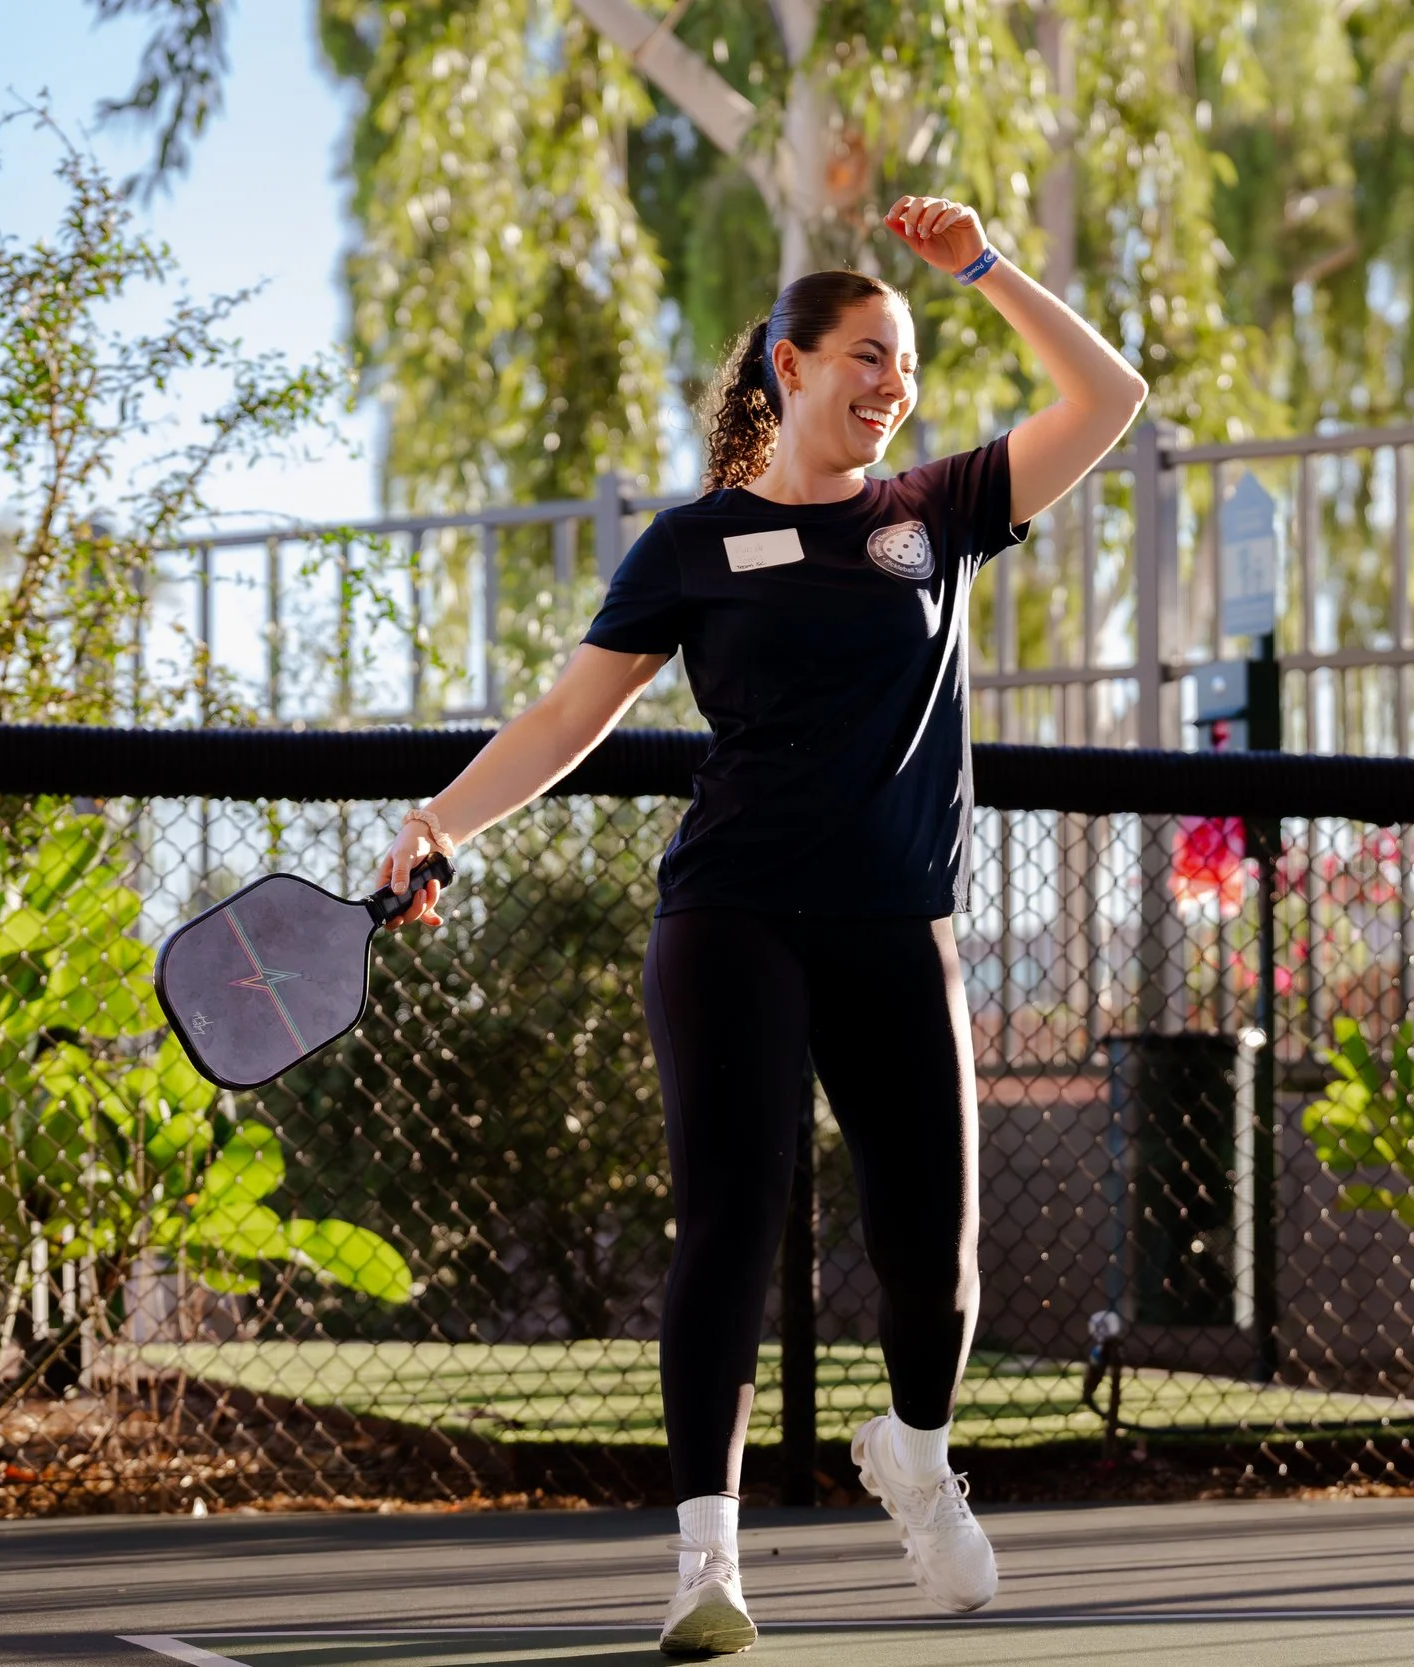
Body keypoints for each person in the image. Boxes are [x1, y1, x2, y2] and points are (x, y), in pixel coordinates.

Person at [371, 193, 1148, 1657]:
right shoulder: (693, 546)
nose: (889, 383)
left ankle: (912, 1453)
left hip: (894, 924)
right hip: (730, 917)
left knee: (939, 1267)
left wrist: (980, 268)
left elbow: (1110, 396)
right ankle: (704, 1567)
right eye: (864, 352)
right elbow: (562, 716)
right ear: (788, 366)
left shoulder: (941, 513)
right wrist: (442, 825)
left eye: (904, 365)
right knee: (731, 1217)